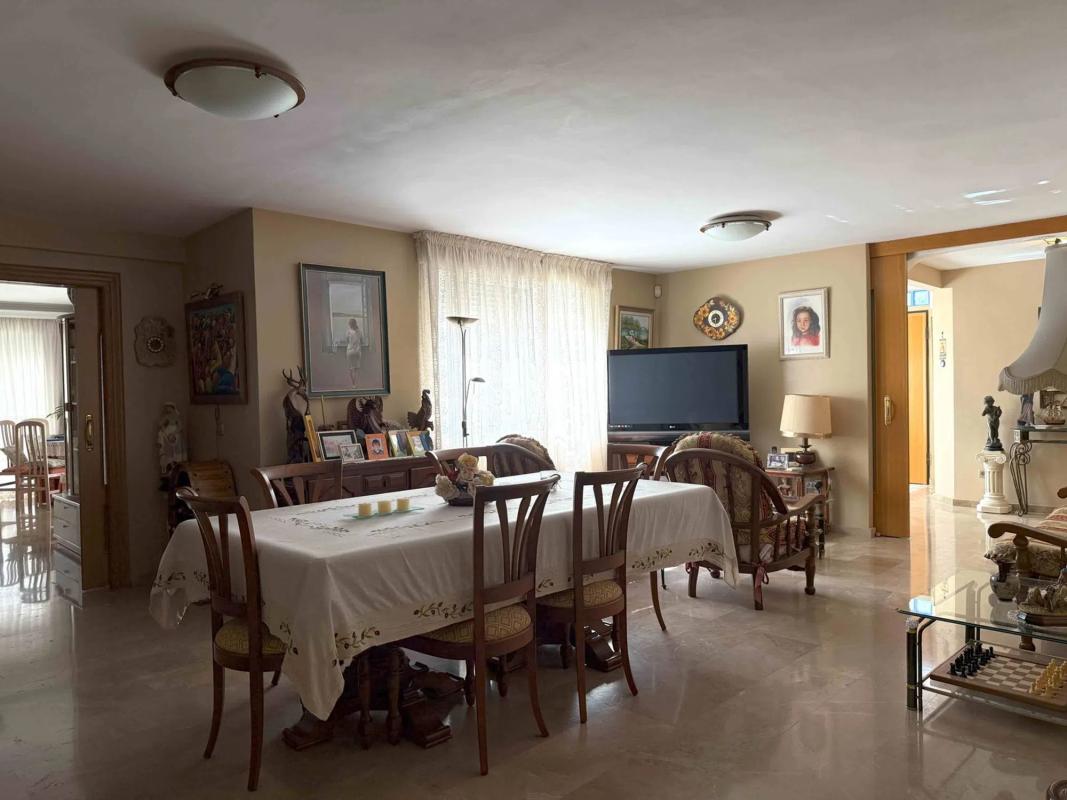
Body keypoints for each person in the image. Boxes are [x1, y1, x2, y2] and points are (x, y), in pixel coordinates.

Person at [346, 318, 362, 386]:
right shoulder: (359, 331)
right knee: (356, 369)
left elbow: (347, 341)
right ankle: (356, 383)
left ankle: (353, 384)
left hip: (350, 351)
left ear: (350, 324)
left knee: (351, 368)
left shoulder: (348, 332)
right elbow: (362, 340)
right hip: (357, 351)